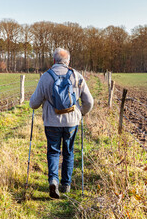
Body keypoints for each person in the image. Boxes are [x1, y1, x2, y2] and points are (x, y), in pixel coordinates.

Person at [29, 48, 94, 199]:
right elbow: (89, 101)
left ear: (53, 60)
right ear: (68, 61)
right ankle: (66, 184)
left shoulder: (46, 77)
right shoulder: (77, 76)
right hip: (72, 122)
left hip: (52, 122)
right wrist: (82, 112)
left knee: (53, 151)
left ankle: (53, 180)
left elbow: (33, 104)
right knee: (69, 151)